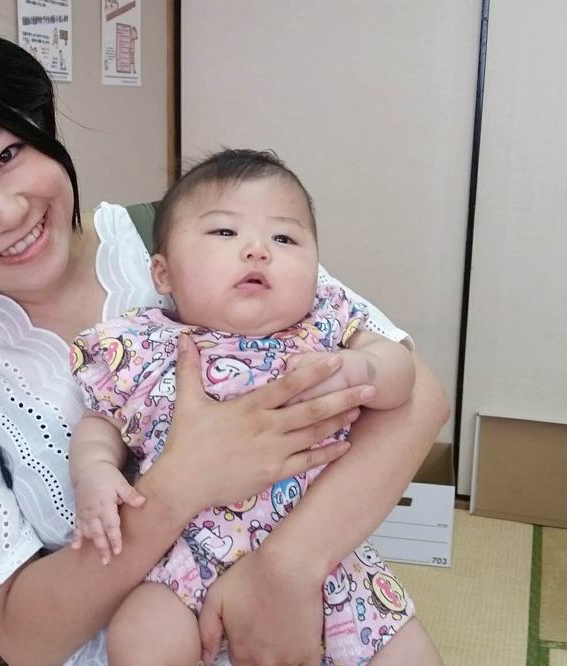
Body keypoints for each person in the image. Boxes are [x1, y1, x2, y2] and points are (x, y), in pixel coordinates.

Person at [0, 7, 448, 666]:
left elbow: (416, 397)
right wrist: (184, 480)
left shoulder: (206, 233)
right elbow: (20, 635)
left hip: (318, 605)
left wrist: (287, 570)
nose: (9, 210)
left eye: (9, 154)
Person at [68, 149, 424, 666]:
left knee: (408, 654)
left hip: (321, 548)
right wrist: (96, 474)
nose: (258, 250)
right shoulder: (140, 342)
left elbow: (404, 375)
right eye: (224, 234)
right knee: (140, 637)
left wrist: (359, 369)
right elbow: (101, 422)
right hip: (186, 558)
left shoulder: (328, 324)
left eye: (284, 238)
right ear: (163, 273)